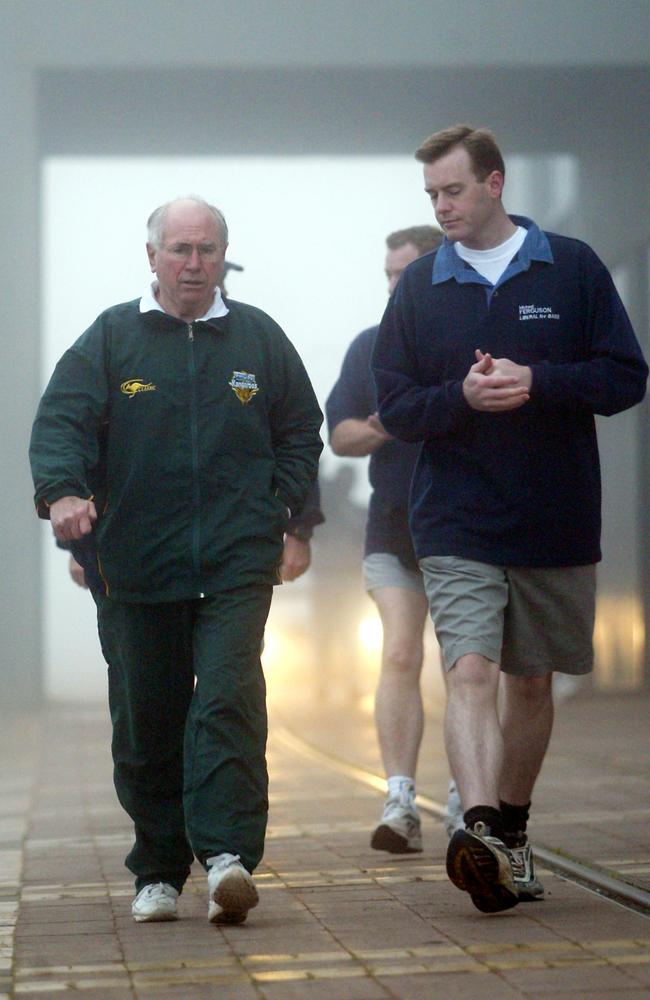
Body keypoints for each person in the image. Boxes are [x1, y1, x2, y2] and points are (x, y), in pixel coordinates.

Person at [372, 125, 648, 913]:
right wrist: (460, 397)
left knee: (532, 684)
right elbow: (394, 405)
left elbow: (625, 376)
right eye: (432, 195)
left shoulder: (574, 269)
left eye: (452, 191)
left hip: (555, 515)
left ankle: (514, 832)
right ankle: (482, 829)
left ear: (495, 184)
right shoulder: (422, 286)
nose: (442, 206)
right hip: (455, 520)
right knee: (468, 671)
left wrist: (540, 381)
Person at [30, 196, 323, 925]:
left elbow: (300, 432)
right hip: (135, 565)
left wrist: (288, 515)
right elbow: (61, 421)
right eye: (180, 249)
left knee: (226, 697)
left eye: (208, 249)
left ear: (226, 255)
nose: (194, 263)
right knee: (148, 718)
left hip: (235, 560)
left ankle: (226, 857)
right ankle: (157, 868)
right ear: (152, 255)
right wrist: (64, 493)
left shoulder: (258, 340)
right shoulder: (110, 340)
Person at [326, 226, 452, 853]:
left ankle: (466, 794)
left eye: (407, 273)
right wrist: (387, 422)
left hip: (464, 525)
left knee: (470, 666)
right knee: (400, 653)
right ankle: (399, 798)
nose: (395, 285)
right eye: (388, 275)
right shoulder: (371, 348)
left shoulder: (468, 338)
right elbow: (340, 435)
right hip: (393, 524)